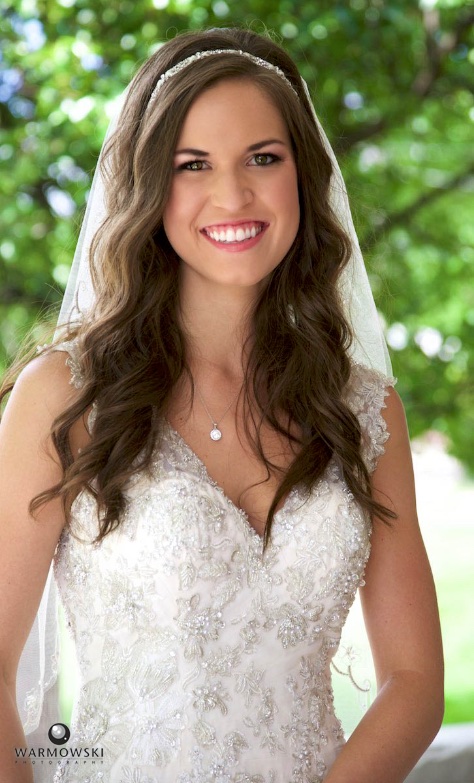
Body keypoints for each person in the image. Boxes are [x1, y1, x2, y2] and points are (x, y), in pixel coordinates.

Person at [0, 26, 444, 783]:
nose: (233, 195)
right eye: (192, 165)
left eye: (263, 159)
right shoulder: (66, 396)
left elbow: (415, 681)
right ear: (146, 186)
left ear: (304, 174)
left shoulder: (364, 409)